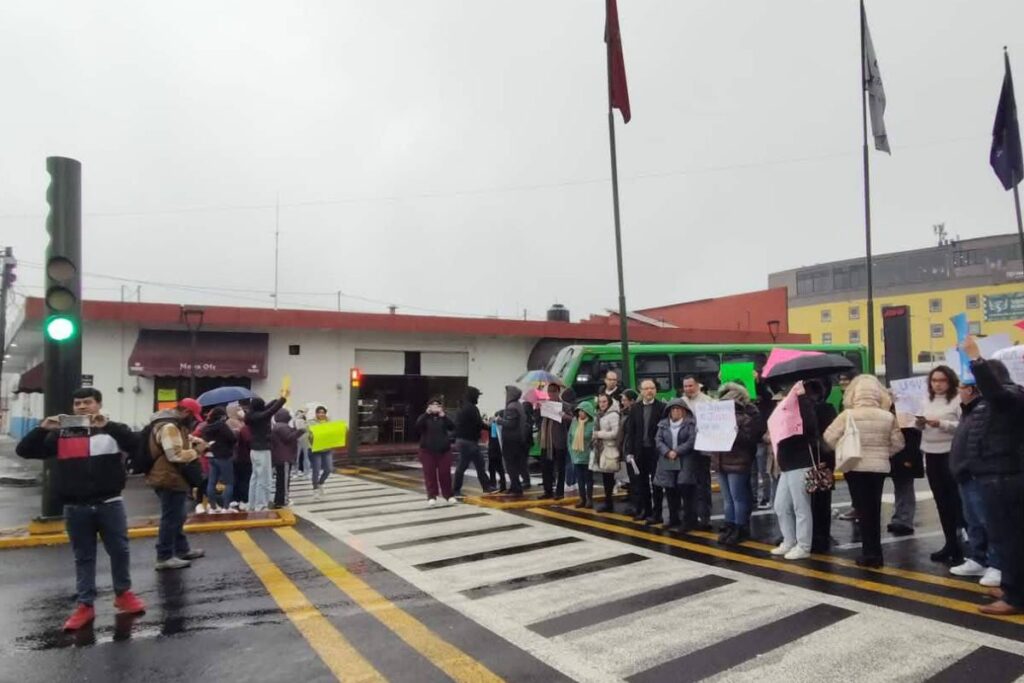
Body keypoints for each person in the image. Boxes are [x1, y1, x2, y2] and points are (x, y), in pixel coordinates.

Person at [15, 387, 145, 631]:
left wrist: (108, 425)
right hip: (76, 506)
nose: (82, 407)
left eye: (87, 402)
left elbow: (138, 445)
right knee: (83, 557)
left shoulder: (113, 430)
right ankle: (85, 604)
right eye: (77, 404)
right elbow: (25, 451)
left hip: (110, 503)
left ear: (99, 404)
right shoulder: (61, 435)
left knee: (120, 550)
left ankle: (123, 593)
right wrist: (43, 428)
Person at [960, 337, 1024, 615]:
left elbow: (996, 393)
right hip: (991, 476)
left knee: (1008, 537)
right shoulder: (993, 403)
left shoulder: (1010, 398)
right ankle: (1013, 585)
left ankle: (1016, 596)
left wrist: (977, 360)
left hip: (1003, 478)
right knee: (1002, 536)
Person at [824, 375, 905, 568]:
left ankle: (868, 554)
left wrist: (843, 449)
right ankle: (876, 553)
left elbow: (828, 438)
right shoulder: (888, 416)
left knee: (862, 509)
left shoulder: (848, 415)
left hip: (855, 467)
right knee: (874, 510)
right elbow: (899, 444)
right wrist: (883, 453)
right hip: (878, 468)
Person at [146, 399, 208, 571]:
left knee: (178, 516)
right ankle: (164, 556)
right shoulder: (170, 427)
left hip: (170, 476)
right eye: (193, 416)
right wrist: (196, 452)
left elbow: (181, 440)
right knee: (171, 518)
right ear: (186, 412)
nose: (193, 421)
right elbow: (175, 455)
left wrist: (194, 440)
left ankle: (182, 550)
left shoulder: (171, 424)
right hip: (168, 477)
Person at [949, 380, 996, 582]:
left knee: (987, 521)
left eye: (960, 388)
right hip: (965, 474)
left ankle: (995, 563)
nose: (958, 391)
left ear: (969, 390)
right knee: (973, 521)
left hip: (976, 474)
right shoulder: (968, 411)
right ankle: (979, 559)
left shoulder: (983, 410)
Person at [917, 366, 964, 564]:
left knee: (956, 501)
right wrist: (919, 423)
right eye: (934, 380)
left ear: (949, 381)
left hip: (950, 453)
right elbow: (918, 422)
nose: (937, 384)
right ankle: (949, 543)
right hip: (931, 453)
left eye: (942, 380)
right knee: (941, 502)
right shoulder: (926, 399)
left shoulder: (957, 400)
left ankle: (964, 544)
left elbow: (963, 426)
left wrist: (942, 424)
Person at [713, 383, 768, 545]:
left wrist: (732, 431)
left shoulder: (745, 418)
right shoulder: (725, 417)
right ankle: (730, 526)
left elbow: (750, 440)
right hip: (721, 459)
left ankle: (740, 528)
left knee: (737, 497)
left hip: (737, 461)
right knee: (728, 498)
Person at [771, 382, 819, 561]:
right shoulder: (781, 418)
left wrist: (802, 397)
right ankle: (789, 540)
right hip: (786, 466)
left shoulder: (802, 412)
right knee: (781, 506)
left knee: (801, 506)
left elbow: (810, 427)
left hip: (800, 463)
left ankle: (804, 545)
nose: (777, 404)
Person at [626, 380, 667, 523]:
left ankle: (658, 514)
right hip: (639, 451)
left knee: (656, 483)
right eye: (646, 388)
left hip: (655, 451)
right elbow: (631, 432)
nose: (649, 391)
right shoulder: (635, 408)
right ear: (641, 391)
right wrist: (629, 452)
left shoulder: (662, 407)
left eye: (652, 388)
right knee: (642, 482)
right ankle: (646, 510)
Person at [654, 399, 697, 530]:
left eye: (678, 409)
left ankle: (688, 521)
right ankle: (673, 519)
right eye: (673, 409)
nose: (676, 411)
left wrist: (677, 451)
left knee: (685, 489)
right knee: (670, 489)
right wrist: (667, 452)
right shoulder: (662, 424)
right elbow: (658, 440)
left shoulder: (690, 424)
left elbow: (692, 440)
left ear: (684, 411)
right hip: (668, 459)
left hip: (685, 459)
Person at [806, 380, 838, 554]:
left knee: (813, 499)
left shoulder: (813, 410)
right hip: (826, 458)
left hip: (815, 457)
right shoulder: (829, 408)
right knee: (823, 498)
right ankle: (822, 535)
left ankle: (816, 536)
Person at [681, 375, 714, 530]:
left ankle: (705, 517)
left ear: (698, 386)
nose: (688, 389)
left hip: (702, 450)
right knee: (687, 484)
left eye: (690, 386)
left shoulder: (708, 402)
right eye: (685, 386)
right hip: (686, 450)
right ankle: (690, 517)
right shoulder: (681, 402)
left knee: (703, 485)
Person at [244, 394, 287, 512]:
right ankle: (260, 505)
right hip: (262, 450)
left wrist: (278, 397)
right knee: (263, 479)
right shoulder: (260, 417)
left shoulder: (252, 415)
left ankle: (252, 504)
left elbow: (268, 407)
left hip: (254, 450)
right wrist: (283, 399)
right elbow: (271, 410)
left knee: (255, 478)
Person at [415, 398, 457, 506]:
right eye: (432, 405)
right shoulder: (424, 417)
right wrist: (426, 414)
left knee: (445, 473)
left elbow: (452, 427)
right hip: (427, 451)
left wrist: (444, 416)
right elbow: (418, 426)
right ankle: (431, 495)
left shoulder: (443, 417)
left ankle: (448, 495)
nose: (435, 407)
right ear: (428, 406)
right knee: (430, 474)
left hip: (444, 451)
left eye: (437, 405)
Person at [453, 386, 493, 497]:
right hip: (469, 441)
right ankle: (486, 487)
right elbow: (479, 424)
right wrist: (490, 427)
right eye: (477, 396)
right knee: (475, 464)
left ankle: (486, 487)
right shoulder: (472, 408)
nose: (478, 399)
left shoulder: (462, 407)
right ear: (472, 396)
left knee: (472, 464)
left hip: (462, 440)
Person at [538, 383, 572, 500]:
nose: (551, 393)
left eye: (553, 391)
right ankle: (548, 491)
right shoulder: (545, 404)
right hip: (546, 441)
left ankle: (559, 491)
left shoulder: (565, 405)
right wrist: (538, 408)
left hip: (559, 441)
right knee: (545, 467)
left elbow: (573, 420)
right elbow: (538, 419)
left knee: (560, 468)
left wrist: (564, 416)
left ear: (558, 392)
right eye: (549, 391)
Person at [201, 407, 238, 513]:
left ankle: (213, 507)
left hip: (211, 456)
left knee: (211, 482)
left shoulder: (206, 427)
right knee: (229, 482)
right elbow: (232, 438)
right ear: (221, 417)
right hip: (223, 456)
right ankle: (226, 507)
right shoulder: (222, 426)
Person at [496, 386, 530, 497]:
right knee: (517, 464)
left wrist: (498, 420)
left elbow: (511, 424)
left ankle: (516, 488)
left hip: (511, 440)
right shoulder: (518, 405)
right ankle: (515, 486)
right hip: (518, 440)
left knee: (511, 465)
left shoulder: (511, 407)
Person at [591, 393, 622, 513]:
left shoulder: (613, 415)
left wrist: (599, 434)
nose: (602, 404)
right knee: (605, 477)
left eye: (604, 401)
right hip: (601, 448)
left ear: (609, 402)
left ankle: (609, 503)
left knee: (609, 477)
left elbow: (615, 433)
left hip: (610, 448)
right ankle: (608, 502)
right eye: (600, 402)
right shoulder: (599, 414)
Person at [271, 409, 305, 508]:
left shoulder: (278, 426)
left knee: (281, 480)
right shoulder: (282, 427)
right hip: (284, 457)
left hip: (280, 456)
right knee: (284, 481)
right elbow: (289, 437)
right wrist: (300, 431)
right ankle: (283, 500)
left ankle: (279, 500)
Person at [567, 401, 597, 508]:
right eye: (579, 411)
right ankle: (582, 499)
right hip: (576, 455)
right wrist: (571, 452)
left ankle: (589, 499)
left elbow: (594, 439)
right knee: (580, 479)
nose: (580, 413)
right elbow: (570, 437)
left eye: (583, 411)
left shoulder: (592, 423)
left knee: (588, 479)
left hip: (588, 455)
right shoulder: (575, 422)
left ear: (588, 412)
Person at [752, 383, 775, 509]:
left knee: (763, 471)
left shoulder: (764, 398)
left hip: (761, 440)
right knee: (752, 472)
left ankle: (766, 498)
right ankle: (754, 498)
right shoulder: (744, 400)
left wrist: (758, 382)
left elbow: (768, 398)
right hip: (750, 441)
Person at [618, 389, 638, 515]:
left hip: (633, 449)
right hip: (626, 447)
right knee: (630, 477)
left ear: (632, 401)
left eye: (624, 400)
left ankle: (637, 505)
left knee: (636, 479)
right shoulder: (623, 413)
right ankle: (633, 502)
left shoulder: (634, 413)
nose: (622, 402)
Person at [308, 405, 333, 498]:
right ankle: (315, 489)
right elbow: (310, 434)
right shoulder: (311, 422)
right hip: (315, 450)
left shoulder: (329, 422)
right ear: (316, 413)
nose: (321, 414)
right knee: (316, 470)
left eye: (323, 412)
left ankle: (320, 483)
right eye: (319, 412)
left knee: (329, 469)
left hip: (327, 449)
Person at [487, 411, 507, 492]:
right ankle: (498, 483)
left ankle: (496, 484)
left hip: (494, 449)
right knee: (495, 467)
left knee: (496, 467)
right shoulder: (501, 425)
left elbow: (494, 436)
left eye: (496, 416)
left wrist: (491, 424)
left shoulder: (496, 425)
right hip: (497, 448)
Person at [293, 408, 311, 479]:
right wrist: (303, 413)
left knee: (306, 457)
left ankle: (307, 473)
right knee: (296, 457)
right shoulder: (295, 421)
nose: (300, 415)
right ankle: (296, 472)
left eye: (301, 413)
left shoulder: (306, 422)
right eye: (298, 413)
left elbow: (308, 430)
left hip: (305, 440)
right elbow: (295, 423)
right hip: (297, 440)